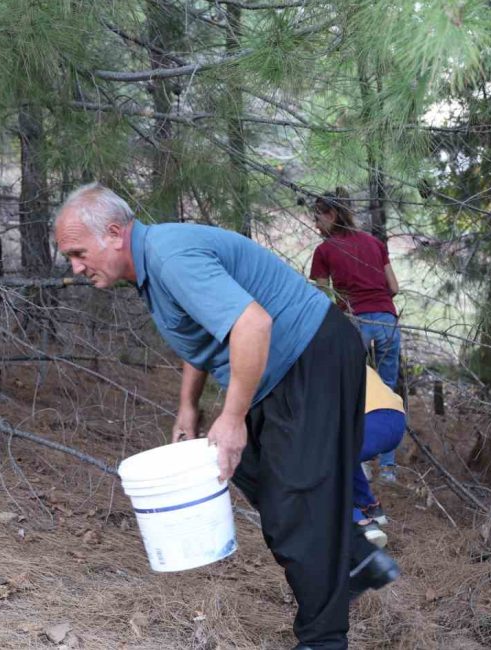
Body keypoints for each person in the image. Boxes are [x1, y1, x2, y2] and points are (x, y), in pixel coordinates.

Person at [54, 183, 399, 650]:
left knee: (299, 502)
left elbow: (252, 323)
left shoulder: (170, 256)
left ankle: (323, 639)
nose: (75, 267)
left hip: (310, 355)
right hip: (280, 370)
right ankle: (357, 559)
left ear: (114, 233)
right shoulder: (152, 265)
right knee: (257, 477)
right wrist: (188, 407)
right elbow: (205, 329)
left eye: (77, 252)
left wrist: (233, 417)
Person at [309, 189, 403, 481]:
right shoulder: (375, 243)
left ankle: (360, 460)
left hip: (354, 321)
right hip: (388, 320)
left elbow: (323, 296)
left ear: (332, 215)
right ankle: (388, 468)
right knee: (387, 390)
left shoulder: (325, 251)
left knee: (353, 391)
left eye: (318, 217)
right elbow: (395, 287)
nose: (315, 224)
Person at [353, 366, 406, 549]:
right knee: (345, 458)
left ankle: (361, 523)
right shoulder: (349, 353)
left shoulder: (314, 362)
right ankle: (371, 508)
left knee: (325, 461)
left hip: (370, 420)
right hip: (397, 419)